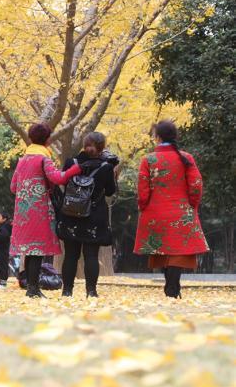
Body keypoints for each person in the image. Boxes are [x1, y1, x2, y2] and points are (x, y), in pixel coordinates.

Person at [134, 120, 209, 298]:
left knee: (163, 251)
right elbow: (196, 184)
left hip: (155, 213)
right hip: (182, 211)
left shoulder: (149, 159)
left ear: (157, 137)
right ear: (175, 136)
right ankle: (173, 287)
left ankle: (171, 287)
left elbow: (142, 190)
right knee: (177, 252)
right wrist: (192, 204)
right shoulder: (186, 158)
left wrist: (143, 207)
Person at [10, 123, 82, 298]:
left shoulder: (22, 160)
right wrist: (76, 169)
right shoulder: (43, 159)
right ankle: (33, 289)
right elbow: (58, 178)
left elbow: (13, 187)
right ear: (47, 140)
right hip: (39, 210)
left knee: (30, 250)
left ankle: (31, 288)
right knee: (37, 250)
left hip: (22, 212)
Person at [56, 132, 119, 298]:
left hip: (70, 214)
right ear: (101, 148)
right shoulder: (106, 167)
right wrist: (114, 174)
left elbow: (63, 182)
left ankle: (67, 291)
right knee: (91, 255)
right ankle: (91, 291)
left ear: (84, 146)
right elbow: (110, 191)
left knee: (70, 255)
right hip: (94, 215)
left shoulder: (71, 162)